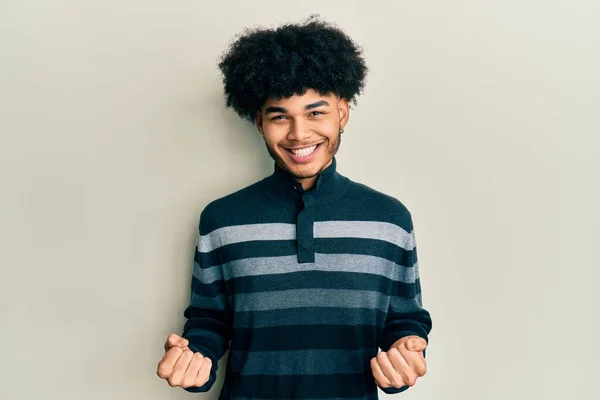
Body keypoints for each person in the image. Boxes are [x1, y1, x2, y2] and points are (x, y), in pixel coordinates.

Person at [156, 15, 433, 399]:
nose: (299, 133)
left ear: (343, 113)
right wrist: (194, 362)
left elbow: (405, 321)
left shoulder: (390, 219)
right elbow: (209, 321)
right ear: (258, 123)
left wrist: (404, 357)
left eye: (315, 112)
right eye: (280, 116)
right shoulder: (221, 219)